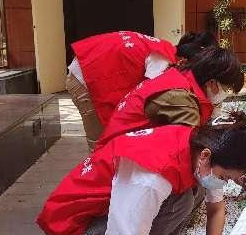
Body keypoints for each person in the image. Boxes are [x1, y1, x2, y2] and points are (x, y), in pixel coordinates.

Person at [37, 114, 246, 235]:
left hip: (94, 217)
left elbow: (216, 208)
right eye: (223, 177)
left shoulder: (195, 143)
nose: (222, 183)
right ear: (206, 155)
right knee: (180, 202)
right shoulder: (152, 177)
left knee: (192, 193)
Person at [66, 30, 217, 148]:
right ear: (185, 60)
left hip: (87, 64)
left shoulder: (164, 49)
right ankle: (97, 176)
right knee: (101, 142)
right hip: (85, 76)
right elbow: (148, 94)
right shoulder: (163, 59)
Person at [95, 45, 244, 147]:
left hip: (119, 143)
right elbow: (191, 148)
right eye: (227, 89)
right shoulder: (182, 99)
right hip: (118, 159)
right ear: (211, 83)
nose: (226, 95)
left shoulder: (180, 76)